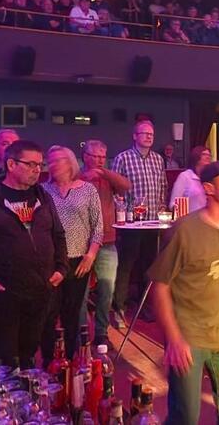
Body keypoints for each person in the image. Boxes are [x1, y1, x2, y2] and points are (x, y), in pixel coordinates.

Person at [149, 161, 219, 425]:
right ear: (209, 188)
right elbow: (160, 286)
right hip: (189, 336)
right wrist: (174, 338)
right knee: (185, 417)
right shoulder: (184, 230)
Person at [0, 140, 68, 370]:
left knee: (28, 354)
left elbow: (58, 234)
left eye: (40, 165)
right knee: (3, 358)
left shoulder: (43, 197)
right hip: (2, 292)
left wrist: (61, 267)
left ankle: (26, 389)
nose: (37, 170)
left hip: (39, 289)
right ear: (11, 164)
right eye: (31, 164)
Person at [39, 146, 103, 363]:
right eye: (49, 161)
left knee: (72, 313)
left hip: (78, 260)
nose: (52, 164)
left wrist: (90, 256)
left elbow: (98, 227)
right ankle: (49, 360)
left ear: (70, 162)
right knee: (48, 312)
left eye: (57, 160)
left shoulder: (88, 190)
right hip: (51, 261)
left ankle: (69, 359)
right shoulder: (42, 190)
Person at [111, 121, 167, 327]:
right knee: (126, 266)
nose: (149, 137)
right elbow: (114, 189)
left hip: (153, 222)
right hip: (132, 224)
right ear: (135, 136)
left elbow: (163, 186)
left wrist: (162, 206)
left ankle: (145, 307)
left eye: (151, 134)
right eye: (144, 133)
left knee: (148, 267)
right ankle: (119, 308)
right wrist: (122, 212)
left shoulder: (158, 159)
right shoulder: (122, 158)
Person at [79, 140, 131, 347]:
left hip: (107, 241)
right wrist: (86, 177)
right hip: (80, 242)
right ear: (85, 157)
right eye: (96, 156)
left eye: (103, 156)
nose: (101, 160)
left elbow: (126, 186)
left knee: (107, 289)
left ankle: (101, 332)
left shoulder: (107, 177)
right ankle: (82, 333)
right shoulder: (77, 176)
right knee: (81, 292)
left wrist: (103, 172)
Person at [169, 146, 212, 213]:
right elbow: (173, 203)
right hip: (190, 217)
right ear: (196, 157)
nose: (208, 157)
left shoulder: (210, 177)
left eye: (209, 155)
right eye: (204, 154)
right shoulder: (185, 176)